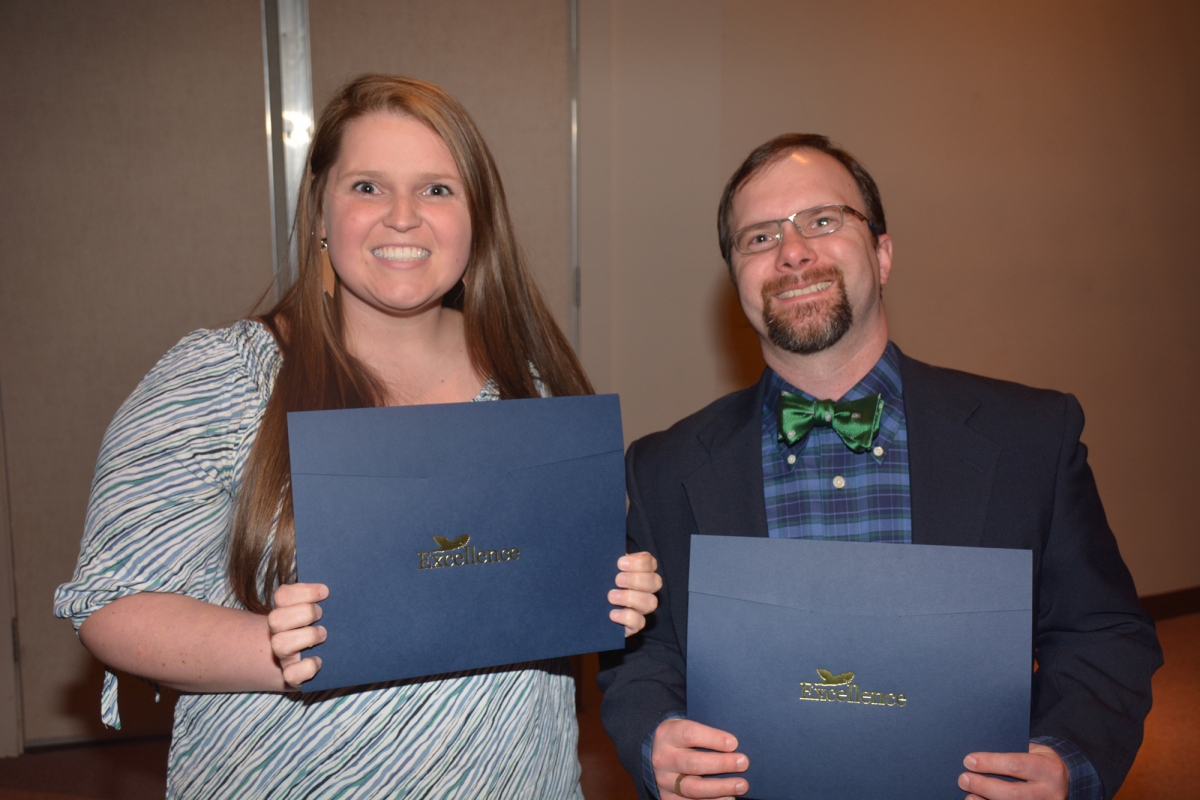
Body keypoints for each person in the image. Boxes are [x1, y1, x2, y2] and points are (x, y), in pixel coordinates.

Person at [54, 74, 661, 799]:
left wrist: (610, 587)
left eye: (437, 189)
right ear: (321, 210)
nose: (402, 217)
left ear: (477, 218)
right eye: (368, 187)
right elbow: (114, 605)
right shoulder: (226, 376)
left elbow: (543, 582)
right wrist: (278, 650)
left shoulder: (532, 388)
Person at [597, 134, 1161, 800]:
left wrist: (1067, 761)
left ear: (883, 254)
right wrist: (654, 738)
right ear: (736, 281)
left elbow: (1101, 635)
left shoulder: (1032, 437)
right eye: (759, 238)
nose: (792, 251)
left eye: (823, 221)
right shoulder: (662, 468)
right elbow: (643, 656)